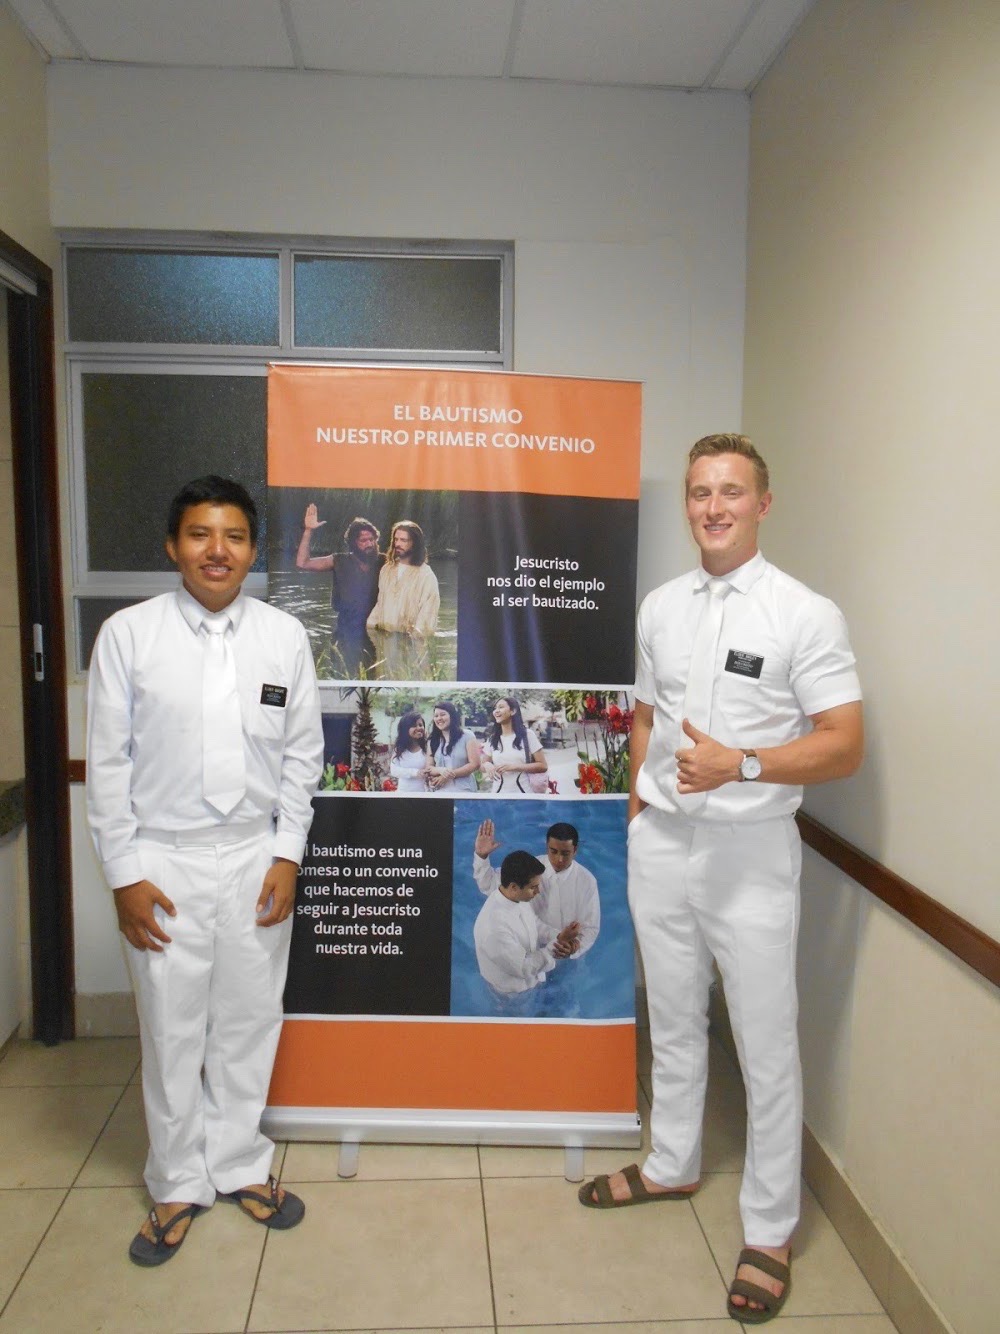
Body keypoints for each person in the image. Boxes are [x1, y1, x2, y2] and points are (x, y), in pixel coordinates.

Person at [579, 435, 863, 1326]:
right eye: (700, 492)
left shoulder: (803, 614)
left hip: (750, 854)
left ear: (762, 504)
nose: (713, 507)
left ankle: (770, 1230)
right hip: (663, 844)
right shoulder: (662, 606)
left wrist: (741, 763)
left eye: (731, 492)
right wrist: (638, 811)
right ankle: (671, 1163)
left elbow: (843, 743)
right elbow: (646, 716)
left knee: (765, 1043)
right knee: (671, 1017)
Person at [86, 476, 324, 1267]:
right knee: (172, 1027)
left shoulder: (283, 637)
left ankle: (239, 1162)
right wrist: (124, 875)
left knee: (250, 1020)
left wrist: (287, 854)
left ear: (253, 551)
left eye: (233, 537)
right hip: (164, 859)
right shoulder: (129, 636)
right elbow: (108, 765)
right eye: (199, 534)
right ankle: (177, 1180)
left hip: (256, 856)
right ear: (173, 546)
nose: (216, 551)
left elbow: (303, 757)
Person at [473, 818, 599, 958]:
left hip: (569, 954)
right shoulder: (531, 868)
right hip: (530, 950)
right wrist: (481, 856)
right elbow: (489, 885)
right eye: (553, 851)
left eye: (565, 853)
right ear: (547, 847)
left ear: (575, 850)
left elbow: (591, 927)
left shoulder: (587, 881)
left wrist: (575, 946)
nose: (559, 859)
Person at [472, 850, 580, 999]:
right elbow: (524, 967)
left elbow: (535, 924)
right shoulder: (493, 929)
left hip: (533, 978)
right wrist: (558, 944)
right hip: (511, 997)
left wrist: (562, 937)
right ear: (514, 887)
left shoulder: (515, 898)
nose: (538, 891)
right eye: (533, 887)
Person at [296, 507, 384, 676]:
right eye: (363, 540)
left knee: (373, 679)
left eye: (371, 539)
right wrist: (308, 530)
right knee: (343, 676)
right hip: (345, 632)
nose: (369, 544)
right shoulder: (339, 560)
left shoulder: (384, 562)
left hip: (375, 632)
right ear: (353, 543)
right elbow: (303, 563)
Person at [366, 520, 440, 678]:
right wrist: (372, 633)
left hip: (409, 646)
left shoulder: (426, 576)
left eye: (404, 540)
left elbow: (426, 620)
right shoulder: (387, 569)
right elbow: (380, 604)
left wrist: (414, 649)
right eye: (396, 539)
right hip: (384, 643)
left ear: (415, 543)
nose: (398, 544)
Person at [480, 696, 548, 794]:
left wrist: (514, 767)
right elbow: (482, 767)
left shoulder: (527, 735)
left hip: (523, 794)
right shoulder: (492, 739)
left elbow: (543, 766)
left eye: (501, 707)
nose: (496, 711)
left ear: (513, 711)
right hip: (498, 795)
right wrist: (487, 765)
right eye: (495, 708)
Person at [426, 700, 481, 792]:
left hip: (464, 791)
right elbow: (429, 768)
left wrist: (447, 776)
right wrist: (441, 770)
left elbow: (475, 764)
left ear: (452, 716)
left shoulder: (467, 735)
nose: (439, 718)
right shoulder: (432, 740)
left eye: (443, 714)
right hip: (440, 792)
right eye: (436, 716)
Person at [388, 711, 431, 793]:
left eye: (420, 725)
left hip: (423, 794)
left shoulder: (428, 747)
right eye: (414, 725)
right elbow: (394, 770)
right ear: (405, 729)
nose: (419, 728)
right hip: (402, 794)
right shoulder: (399, 749)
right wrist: (416, 773)